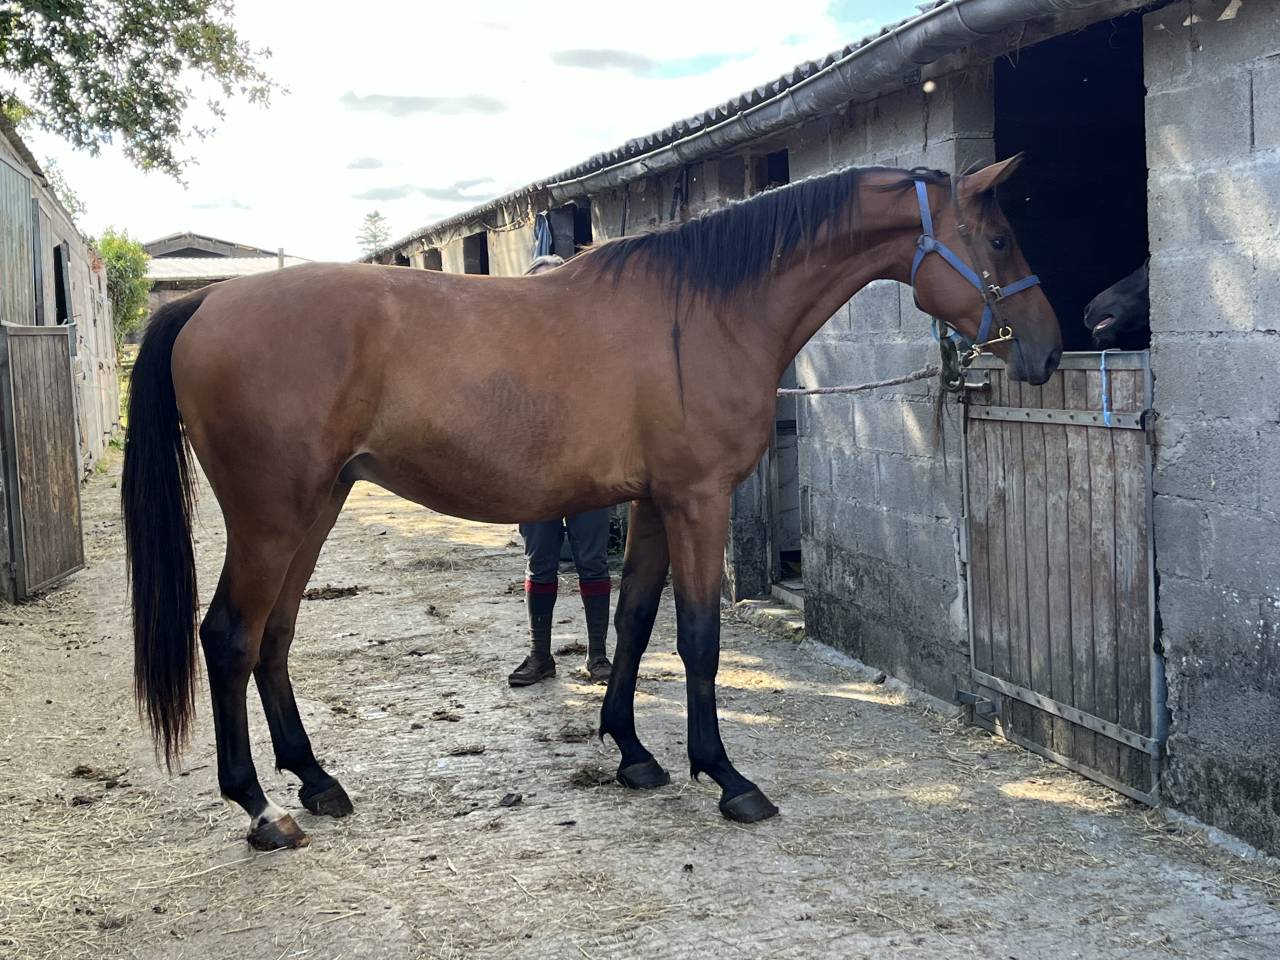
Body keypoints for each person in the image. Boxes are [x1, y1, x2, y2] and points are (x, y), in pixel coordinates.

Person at [508, 254, 614, 687]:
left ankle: (598, 656)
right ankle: (540, 656)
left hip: (589, 471)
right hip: (535, 474)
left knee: (593, 562)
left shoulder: (595, 348)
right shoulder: (513, 352)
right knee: (540, 562)